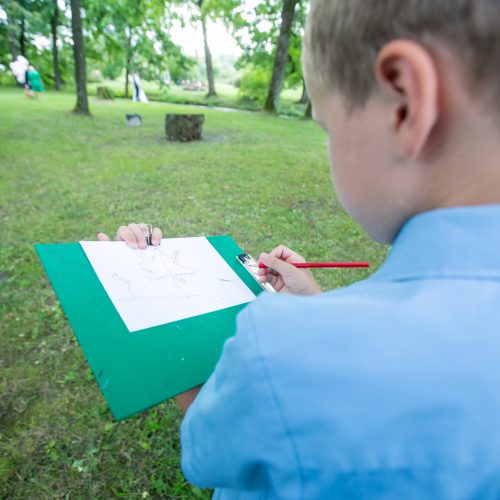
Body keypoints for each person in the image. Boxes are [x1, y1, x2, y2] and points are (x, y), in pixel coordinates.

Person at [98, 0, 500, 497]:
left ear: (406, 102)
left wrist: (165, 315)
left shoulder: (280, 353)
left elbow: (205, 455)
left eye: (328, 127)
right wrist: (317, 308)